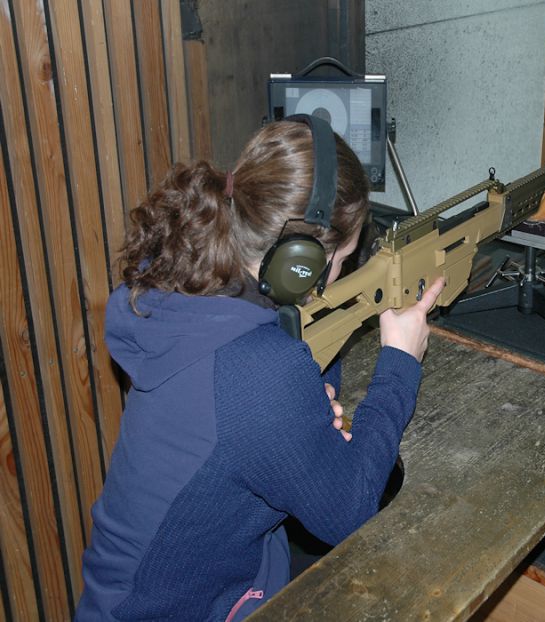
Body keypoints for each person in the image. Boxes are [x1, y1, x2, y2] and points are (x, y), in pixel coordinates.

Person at [76, 117, 444, 621]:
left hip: (176, 586)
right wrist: (400, 361)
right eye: (342, 259)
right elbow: (349, 508)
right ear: (300, 263)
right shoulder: (257, 370)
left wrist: (302, 403)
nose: (341, 272)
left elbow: (271, 386)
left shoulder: (198, 284)